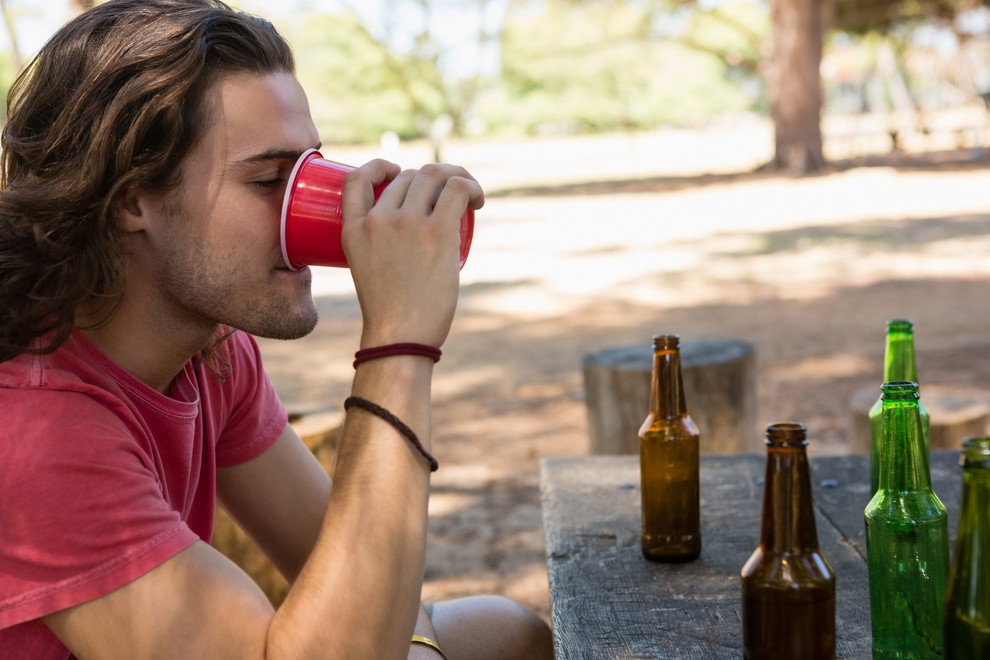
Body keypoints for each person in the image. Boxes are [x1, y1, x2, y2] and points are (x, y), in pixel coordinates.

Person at [0, 1, 554, 658]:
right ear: (131, 200)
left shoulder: (213, 354)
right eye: (269, 178)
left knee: (505, 633)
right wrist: (399, 347)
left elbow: (357, 566)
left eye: (309, 168)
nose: (313, 204)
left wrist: (417, 649)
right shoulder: (36, 432)